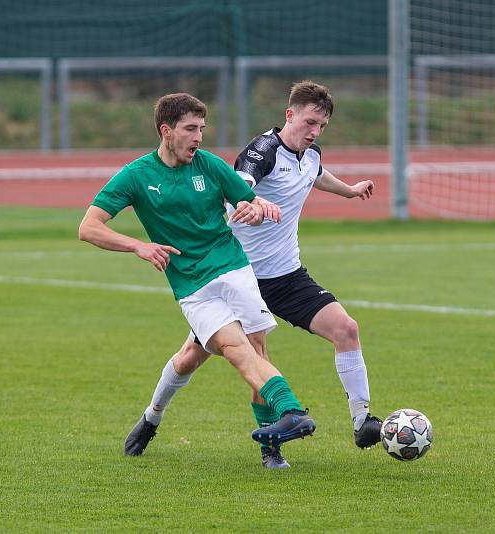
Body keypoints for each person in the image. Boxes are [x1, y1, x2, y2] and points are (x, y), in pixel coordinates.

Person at [125, 81, 380, 469]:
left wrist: (349, 190)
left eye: (322, 126)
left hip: (288, 276)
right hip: (239, 276)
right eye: (310, 122)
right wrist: (249, 204)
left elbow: (315, 173)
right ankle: (153, 417)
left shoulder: (309, 154)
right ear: (289, 114)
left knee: (347, 329)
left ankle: (363, 421)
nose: (314, 131)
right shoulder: (261, 152)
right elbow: (237, 187)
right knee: (194, 358)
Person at [79, 92, 317, 458]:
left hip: (234, 268)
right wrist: (138, 246)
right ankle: (153, 417)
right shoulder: (137, 176)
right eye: (190, 129)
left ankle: (275, 440)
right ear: (166, 130)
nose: (199, 137)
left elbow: (246, 200)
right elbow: (89, 227)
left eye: (202, 129)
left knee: (253, 349)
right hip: (193, 286)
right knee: (222, 352)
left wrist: (253, 209)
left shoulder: (210, 165)